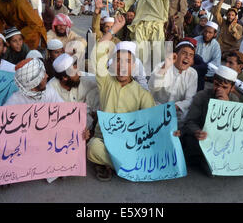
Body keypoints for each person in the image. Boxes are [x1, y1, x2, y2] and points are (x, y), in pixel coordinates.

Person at [87, 16, 155, 181]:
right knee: (92, 148)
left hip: (129, 142)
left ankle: (112, 164)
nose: (122, 66)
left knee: (146, 148)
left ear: (134, 66)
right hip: (104, 138)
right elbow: (97, 55)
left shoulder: (142, 93)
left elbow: (154, 121)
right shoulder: (106, 82)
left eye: (127, 62)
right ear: (112, 64)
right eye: (118, 61)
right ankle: (124, 165)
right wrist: (113, 30)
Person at [181, 65, 240, 176]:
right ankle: (199, 158)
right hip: (201, 139)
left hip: (220, 140)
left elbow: (235, 127)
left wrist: (226, 105)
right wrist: (197, 132)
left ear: (232, 88)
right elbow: (190, 121)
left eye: (224, 87)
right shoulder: (202, 96)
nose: (219, 89)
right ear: (213, 82)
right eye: (217, 85)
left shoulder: (234, 100)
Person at [148, 38, 198, 121]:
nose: (187, 57)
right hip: (156, 110)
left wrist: (175, 107)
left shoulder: (192, 74)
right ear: (175, 55)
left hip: (176, 114)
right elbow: (153, 86)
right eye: (184, 53)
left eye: (191, 55)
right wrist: (165, 67)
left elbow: (190, 99)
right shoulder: (163, 66)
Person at [48, 53, 99, 130]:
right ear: (65, 77)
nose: (79, 74)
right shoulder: (51, 88)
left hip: (87, 130)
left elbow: (103, 83)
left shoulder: (86, 79)